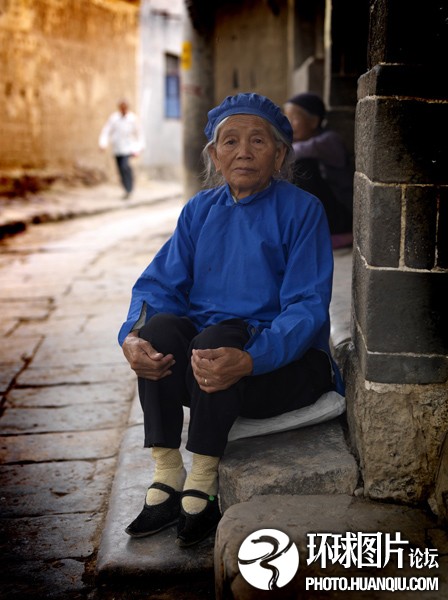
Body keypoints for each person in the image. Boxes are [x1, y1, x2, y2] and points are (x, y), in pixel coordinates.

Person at [119, 93, 344, 547]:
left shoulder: (302, 210)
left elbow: (306, 306)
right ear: (214, 155)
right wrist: (132, 336)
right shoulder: (200, 211)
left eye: (258, 140)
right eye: (230, 141)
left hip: (279, 369)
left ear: (280, 154)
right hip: (210, 373)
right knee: (160, 330)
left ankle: (202, 482)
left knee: (218, 338)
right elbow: (159, 284)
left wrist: (251, 358)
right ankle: (167, 472)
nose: (243, 151)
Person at [284, 92, 354, 249]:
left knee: (301, 166)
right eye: (286, 118)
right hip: (329, 213)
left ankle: (330, 233)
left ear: (314, 121)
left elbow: (296, 152)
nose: (289, 124)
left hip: (341, 214)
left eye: (294, 118)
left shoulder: (329, 140)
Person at [98, 99, 144, 199]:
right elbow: (106, 131)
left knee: (125, 166)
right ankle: (126, 189)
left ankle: (129, 188)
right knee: (120, 169)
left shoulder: (132, 119)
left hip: (128, 148)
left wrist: (139, 147)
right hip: (117, 148)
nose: (123, 110)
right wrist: (103, 143)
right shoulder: (114, 118)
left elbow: (139, 134)